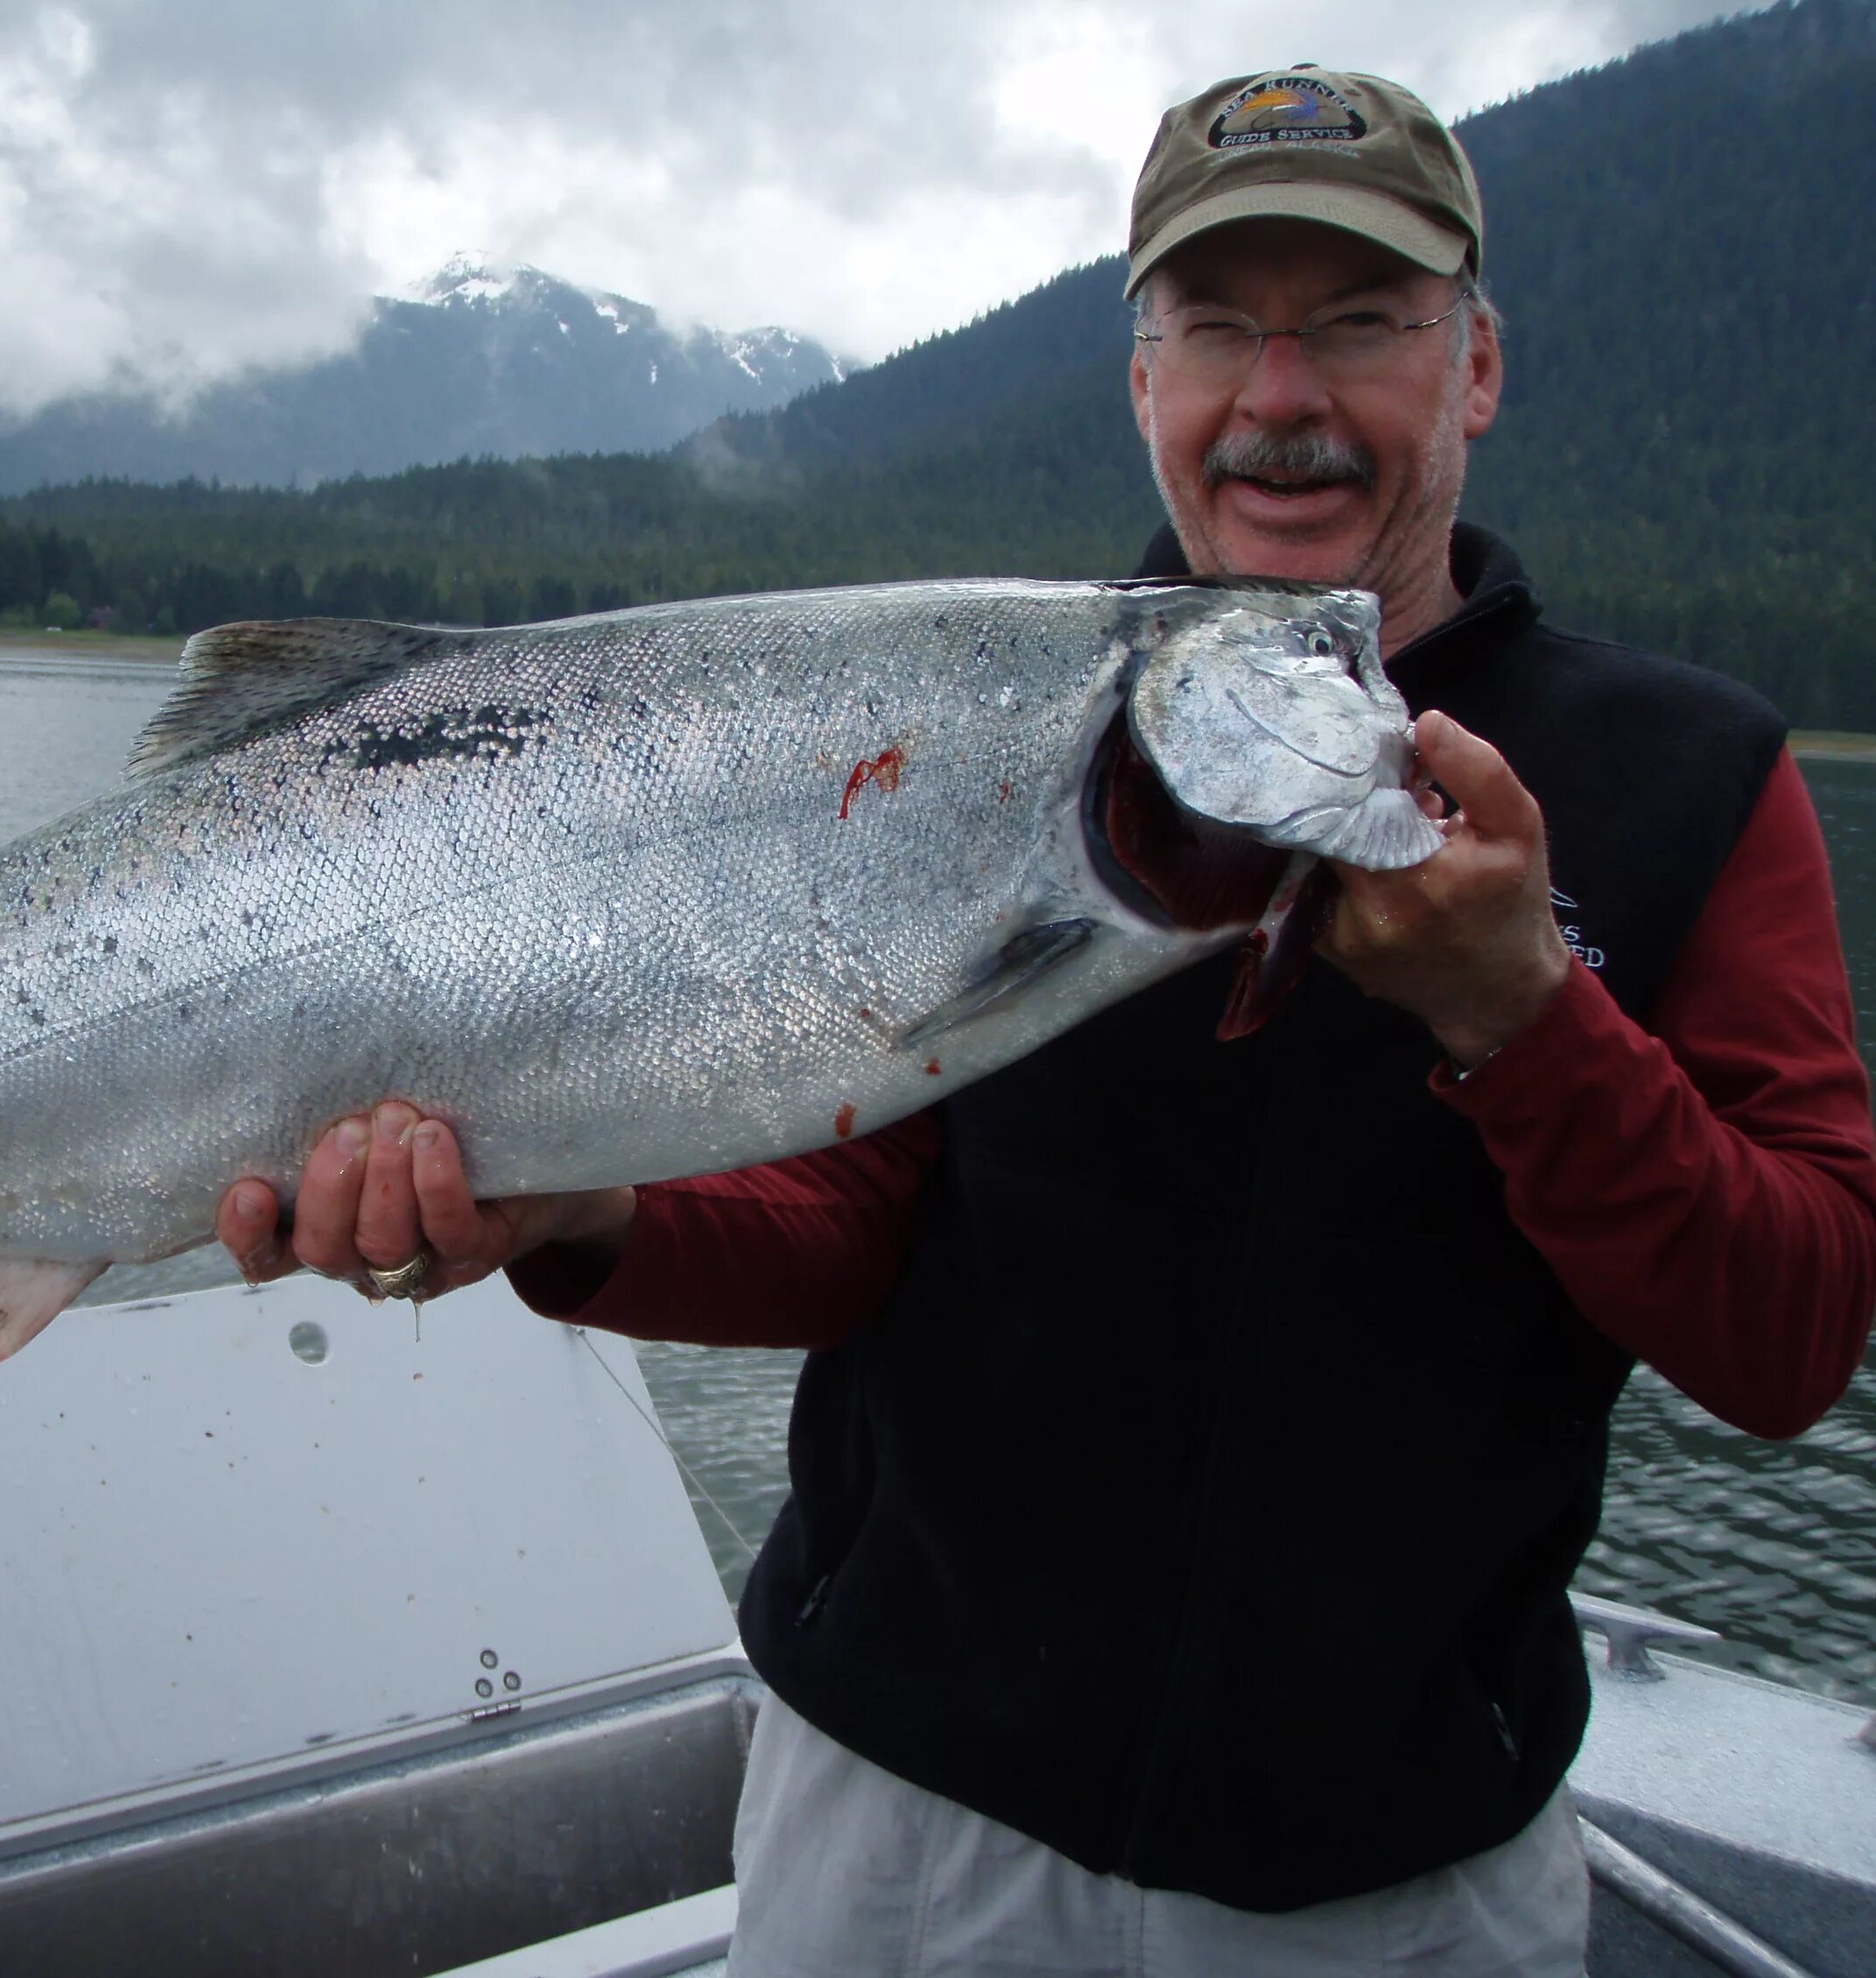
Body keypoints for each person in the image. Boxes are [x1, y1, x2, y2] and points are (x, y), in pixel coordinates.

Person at [215, 67, 1876, 1975]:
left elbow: (1794, 1332)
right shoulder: (973, 732)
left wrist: (1526, 1015)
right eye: (1216, 330)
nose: (1281, 397)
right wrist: (571, 1211)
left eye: (1358, 323)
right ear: (1145, 380)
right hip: (901, 1832)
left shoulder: (1691, 781)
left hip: (1399, 1888)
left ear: (1477, 368)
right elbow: (863, 1220)